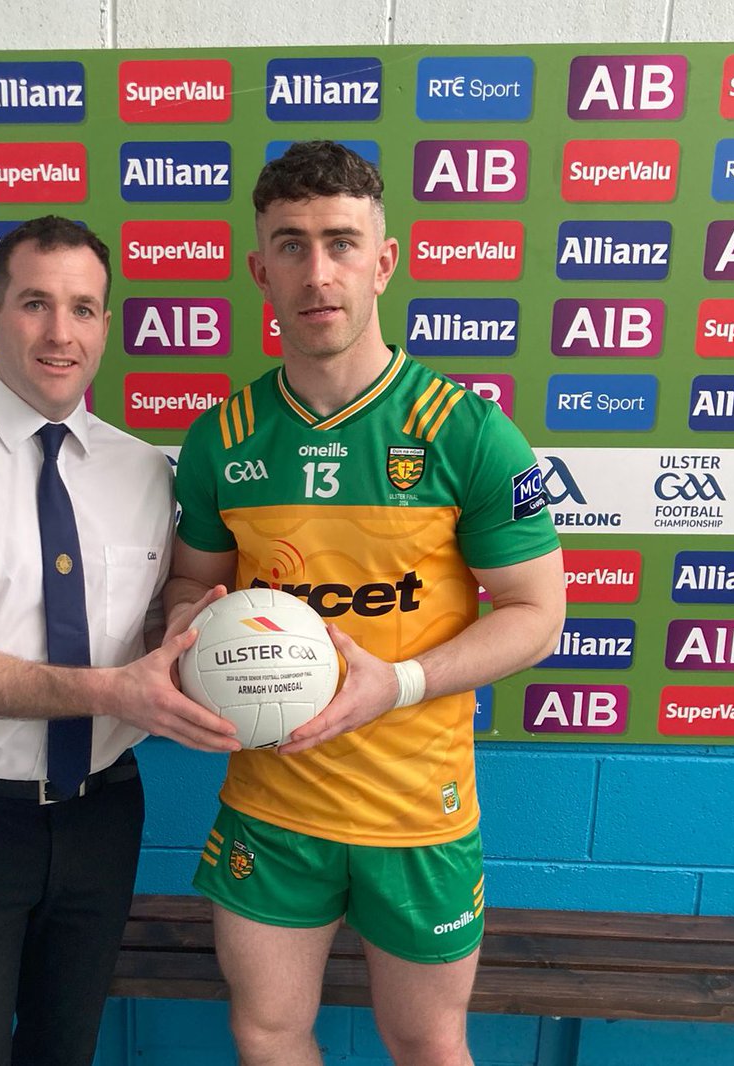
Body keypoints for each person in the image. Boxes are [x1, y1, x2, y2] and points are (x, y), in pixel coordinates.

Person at [165, 142, 566, 1066]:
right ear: (259, 269)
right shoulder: (220, 438)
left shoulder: (466, 430)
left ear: (384, 261)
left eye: (342, 243)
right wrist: (194, 637)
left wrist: (401, 682)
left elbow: (537, 612)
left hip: (418, 812)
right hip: (272, 806)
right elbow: (192, 582)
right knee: (266, 1030)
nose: (319, 272)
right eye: (292, 246)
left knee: (425, 1043)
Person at [0, 215, 238, 1066]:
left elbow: (146, 623)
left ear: (106, 326)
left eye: (84, 308)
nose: (60, 333)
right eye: (35, 304)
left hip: (106, 812)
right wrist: (114, 693)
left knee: (68, 1050)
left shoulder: (146, 471)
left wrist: (184, 631)